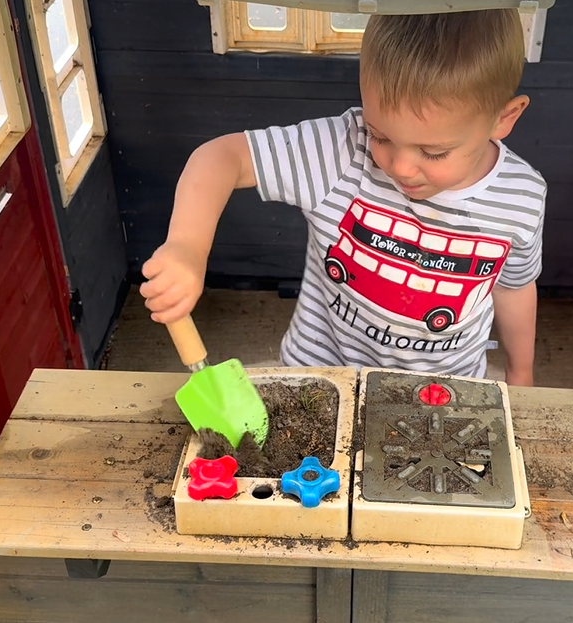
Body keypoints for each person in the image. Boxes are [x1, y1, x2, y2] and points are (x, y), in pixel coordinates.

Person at [139, 9, 546, 386]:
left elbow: (512, 288)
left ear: (503, 118)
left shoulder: (522, 198)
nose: (400, 166)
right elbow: (221, 157)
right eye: (381, 135)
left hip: (442, 392)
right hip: (321, 381)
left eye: (433, 152)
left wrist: (520, 371)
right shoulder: (341, 153)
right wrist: (187, 247)